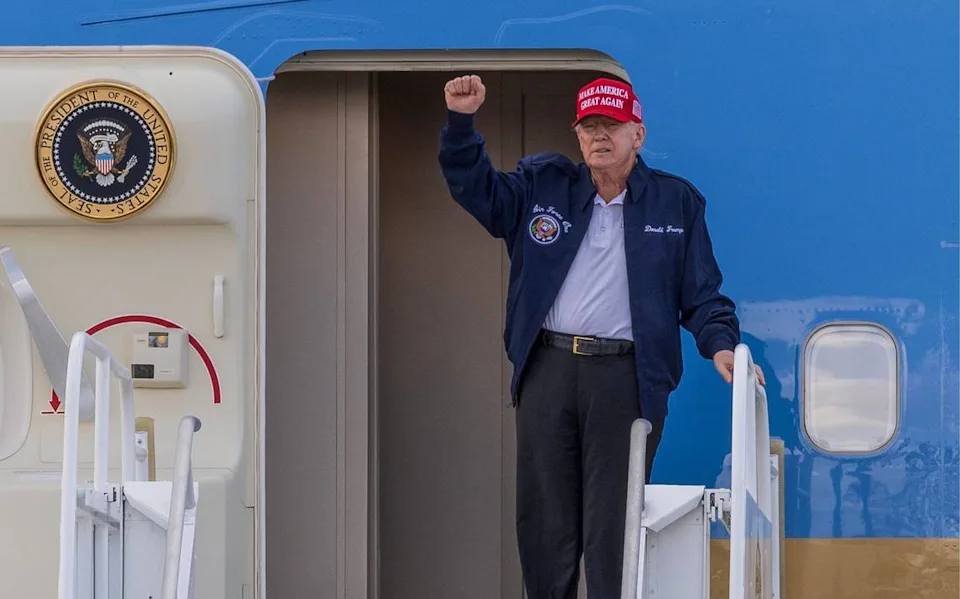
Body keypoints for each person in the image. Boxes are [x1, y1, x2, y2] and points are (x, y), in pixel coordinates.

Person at [437, 74, 764, 599]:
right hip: (549, 371)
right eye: (589, 127)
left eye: (611, 125)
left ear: (638, 134)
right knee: (546, 521)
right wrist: (461, 124)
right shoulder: (542, 185)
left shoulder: (675, 202)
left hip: (626, 379)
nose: (599, 137)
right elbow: (478, 191)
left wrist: (721, 345)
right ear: (577, 135)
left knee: (615, 524)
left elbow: (702, 293)